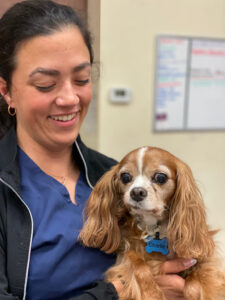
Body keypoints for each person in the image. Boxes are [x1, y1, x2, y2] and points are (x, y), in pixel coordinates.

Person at [0, 1, 197, 299]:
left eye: (81, 79)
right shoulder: (7, 188)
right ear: (6, 91)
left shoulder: (116, 176)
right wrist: (118, 293)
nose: (70, 98)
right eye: (45, 84)